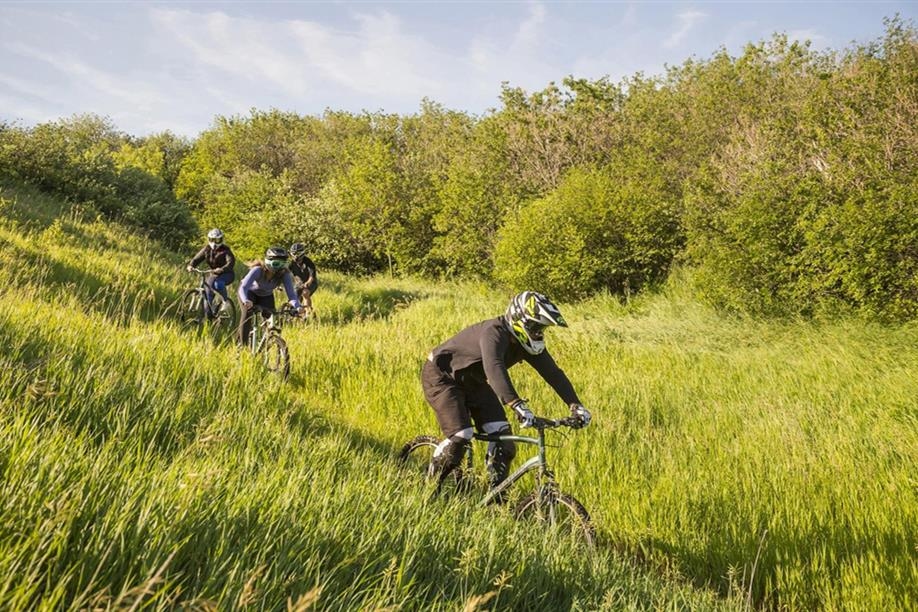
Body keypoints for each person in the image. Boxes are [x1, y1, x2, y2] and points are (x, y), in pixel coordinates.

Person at [421, 291, 592, 492]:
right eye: (536, 327)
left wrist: (576, 405)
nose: (539, 333)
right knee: (461, 435)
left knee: (504, 440)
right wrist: (516, 404)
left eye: (542, 328)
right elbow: (493, 368)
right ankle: (428, 488)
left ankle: (494, 498)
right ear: (519, 318)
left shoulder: (527, 344)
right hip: (442, 377)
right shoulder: (494, 333)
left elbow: (553, 374)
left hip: (473, 382)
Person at [236, 246, 303, 346]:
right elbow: (243, 288)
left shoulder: (284, 274)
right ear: (268, 261)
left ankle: (265, 342)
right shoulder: (257, 271)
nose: (279, 267)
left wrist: (298, 306)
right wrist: (246, 300)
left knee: (271, 316)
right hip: (249, 293)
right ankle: (242, 346)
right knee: (247, 314)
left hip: (266, 295)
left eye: (282, 264)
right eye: (276, 263)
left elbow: (292, 295)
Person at [186, 228, 236, 316]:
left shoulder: (225, 250)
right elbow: (197, 258)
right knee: (208, 292)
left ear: (221, 239)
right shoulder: (207, 249)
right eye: (212, 240)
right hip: (214, 274)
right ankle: (208, 316)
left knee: (218, 284)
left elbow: (230, 263)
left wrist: (222, 269)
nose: (214, 242)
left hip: (227, 274)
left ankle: (225, 302)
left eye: (217, 240)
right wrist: (191, 265)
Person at [289, 242, 318, 316]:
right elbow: (285, 273)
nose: (296, 256)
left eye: (297, 253)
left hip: (311, 283)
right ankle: (294, 315)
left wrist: (307, 283)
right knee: (293, 298)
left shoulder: (308, 262)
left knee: (305, 293)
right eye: (294, 253)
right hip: (299, 284)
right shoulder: (291, 263)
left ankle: (308, 312)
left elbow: (312, 276)